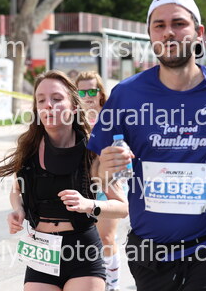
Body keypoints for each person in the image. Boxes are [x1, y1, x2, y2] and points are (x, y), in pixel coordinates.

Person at [88, 0, 206, 290]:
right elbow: (96, 169)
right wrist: (105, 169)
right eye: (159, 25)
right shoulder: (126, 94)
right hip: (150, 250)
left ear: (199, 32)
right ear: (150, 35)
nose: (168, 32)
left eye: (178, 23)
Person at [0, 70, 128, 291]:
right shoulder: (29, 148)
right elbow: (17, 189)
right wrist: (18, 209)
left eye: (57, 98)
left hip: (82, 251)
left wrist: (89, 205)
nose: (48, 105)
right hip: (42, 253)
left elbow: (122, 207)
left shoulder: (92, 151)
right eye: (41, 100)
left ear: (74, 106)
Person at [76, 71, 123, 291]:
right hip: (80, 186)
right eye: (82, 92)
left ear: (100, 92)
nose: (87, 96)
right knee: (87, 240)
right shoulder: (72, 118)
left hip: (107, 183)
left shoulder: (109, 117)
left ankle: (112, 285)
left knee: (106, 238)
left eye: (92, 91)